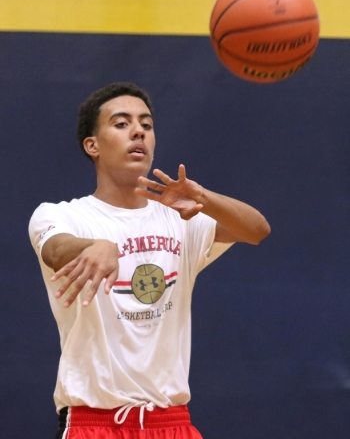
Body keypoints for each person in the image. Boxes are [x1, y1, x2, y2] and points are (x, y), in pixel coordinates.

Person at [28, 82, 271, 439]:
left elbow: (257, 230)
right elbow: (54, 249)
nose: (138, 130)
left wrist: (203, 196)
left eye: (146, 123)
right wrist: (91, 246)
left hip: (170, 422)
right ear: (92, 145)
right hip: (92, 422)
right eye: (121, 123)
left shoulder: (177, 219)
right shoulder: (62, 215)